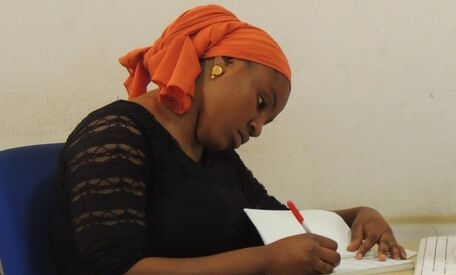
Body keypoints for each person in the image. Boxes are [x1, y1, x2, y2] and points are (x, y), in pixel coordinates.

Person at [51, 4, 406, 275]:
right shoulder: (116, 135)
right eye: (261, 103)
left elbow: (278, 222)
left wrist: (357, 216)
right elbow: (113, 268)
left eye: (268, 121)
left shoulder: (214, 153)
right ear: (222, 63)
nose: (258, 128)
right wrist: (265, 261)